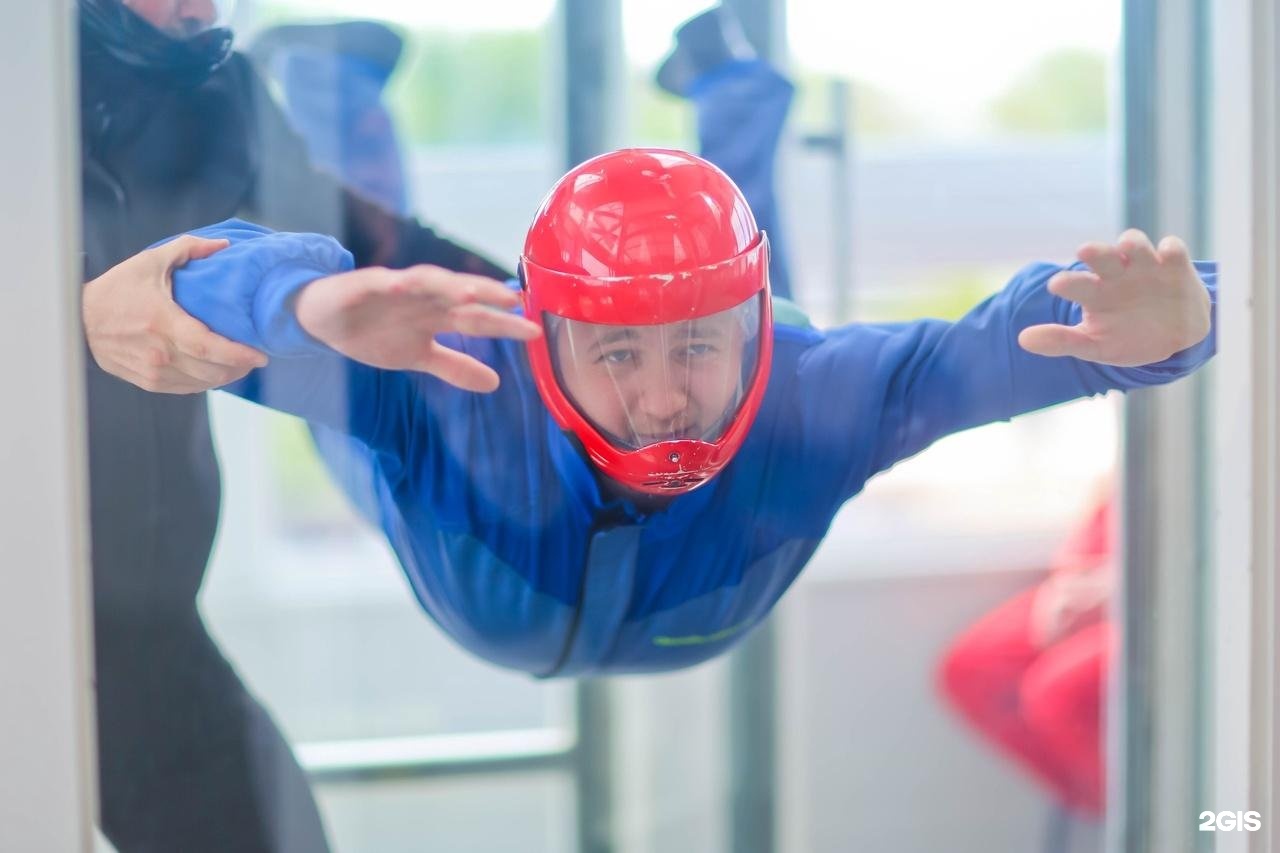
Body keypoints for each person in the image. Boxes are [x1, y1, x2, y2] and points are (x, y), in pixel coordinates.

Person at [105, 145, 1215, 678]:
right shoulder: (451, 384)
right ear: (554, 339)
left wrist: (1177, 318)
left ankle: (736, 92)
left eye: (697, 344)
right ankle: (345, 99)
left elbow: (1009, 338)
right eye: (616, 352)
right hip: (441, 383)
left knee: (791, 324)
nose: (659, 397)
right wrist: (298, 300)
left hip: (520, 557)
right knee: (384, 285)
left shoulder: (806, 389)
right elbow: (190, 298)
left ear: (748, 339)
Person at [77, 1, 513, 850]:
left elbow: (361, 241)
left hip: (145, 626)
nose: (194, 7)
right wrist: (76, 317)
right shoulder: (29, 96)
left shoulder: (215, 95)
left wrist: (548, 321)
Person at [937, 486, 1115, 819]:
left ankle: (1153, 818)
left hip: (1155, 587)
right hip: (1111, 554)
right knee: (970, 668)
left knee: (1057, 694)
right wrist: (1075, 578)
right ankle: (1102, 806)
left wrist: (1119, 591)